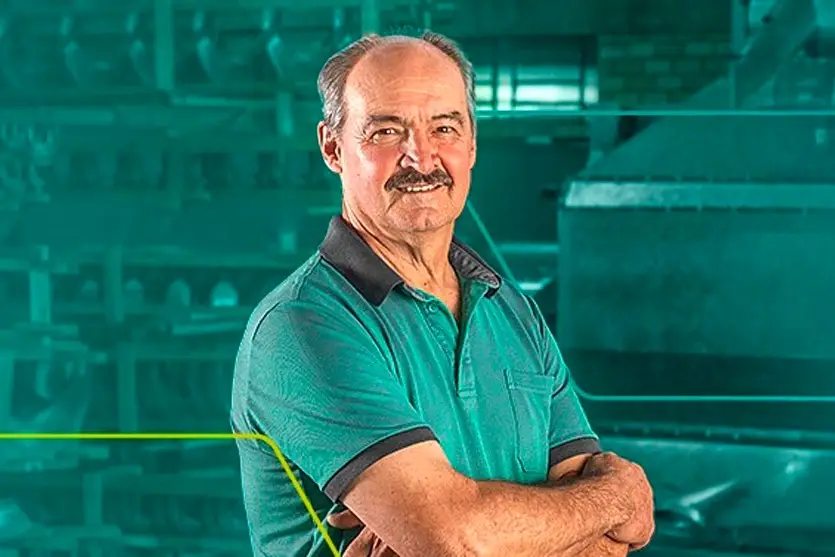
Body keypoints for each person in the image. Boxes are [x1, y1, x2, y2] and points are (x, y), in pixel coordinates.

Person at [230, 30, 655, 557]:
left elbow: (614, 543)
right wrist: (612, 496)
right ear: (333, 147)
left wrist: (471, 527)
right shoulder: (303, 325)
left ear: (472, 142)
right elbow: (452, 541)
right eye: (387, 131)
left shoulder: (512, 312)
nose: (420, 157)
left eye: (445, 128)